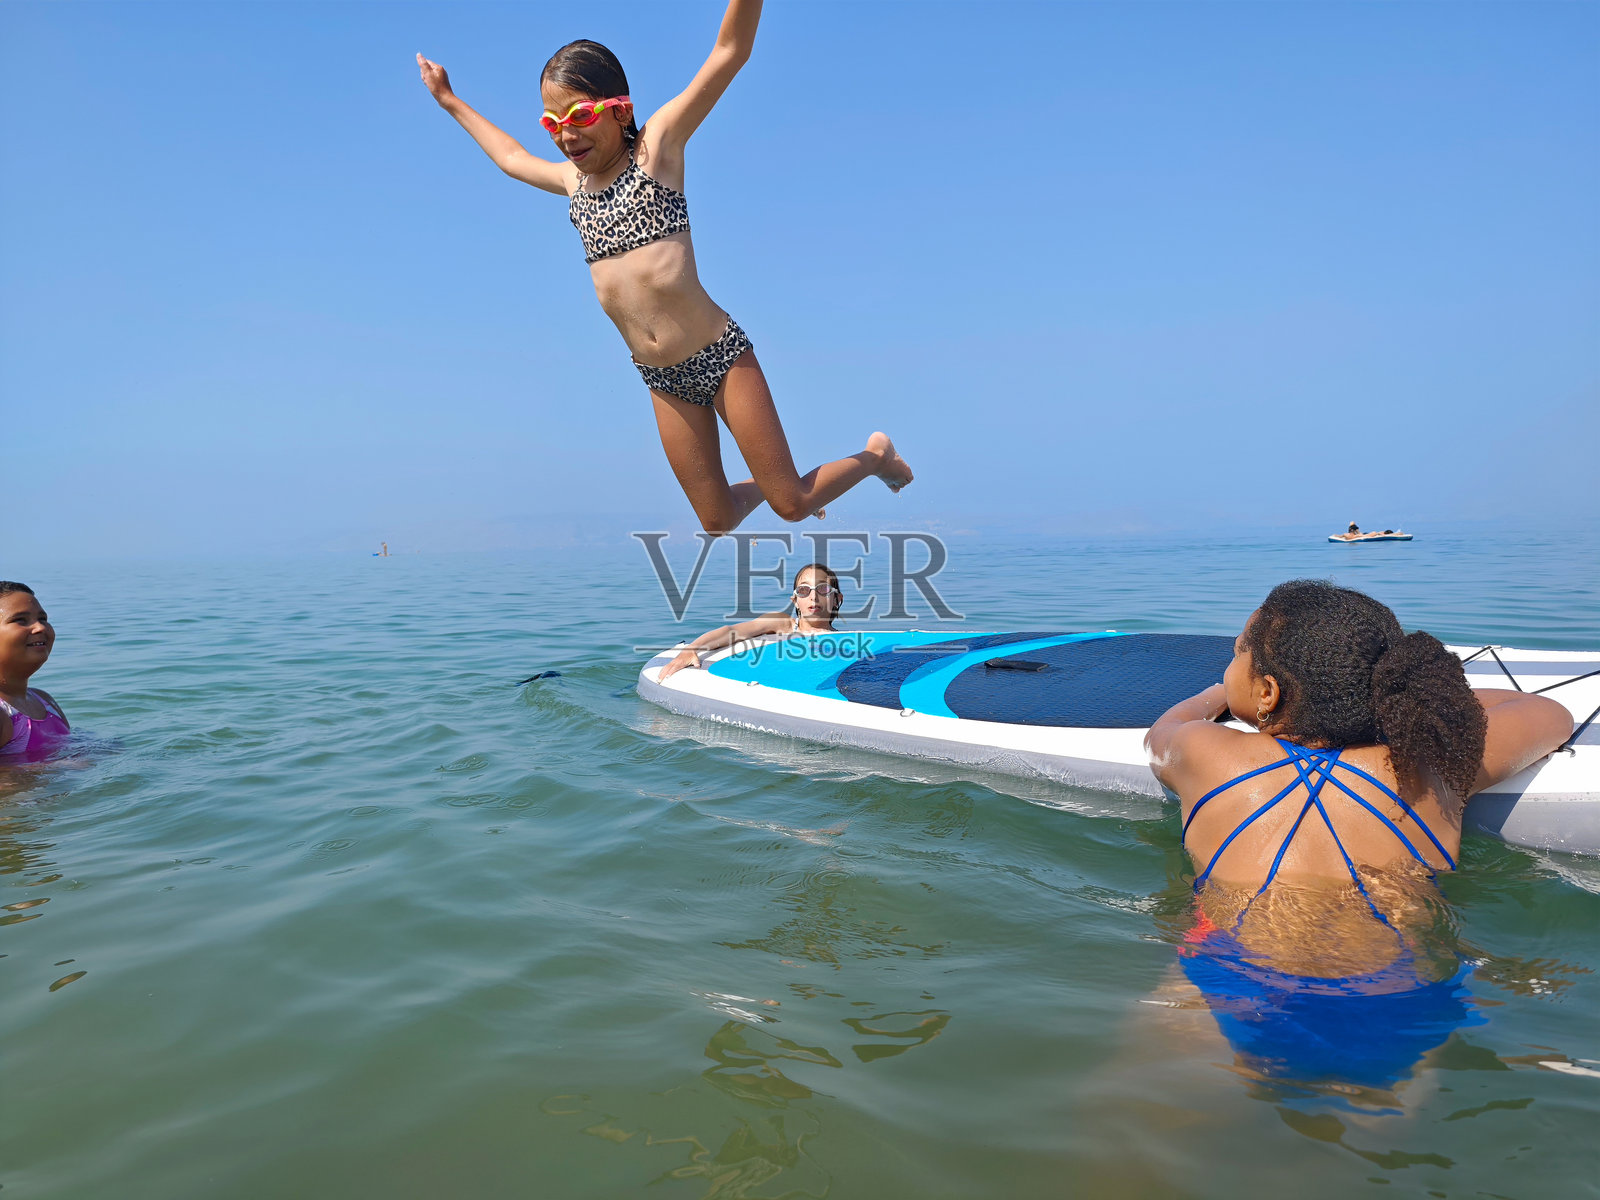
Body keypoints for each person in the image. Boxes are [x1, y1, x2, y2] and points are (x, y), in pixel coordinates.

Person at [417, 1, 913, 534]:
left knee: (790, 503)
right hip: (661, 378)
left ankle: (876, 457)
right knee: (717, 520)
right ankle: (781, 486)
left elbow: (729, 52)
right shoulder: (573, 184)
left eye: (580, 116)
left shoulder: (657, 151)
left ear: (621, 110)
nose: (566, 135)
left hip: (719, 357)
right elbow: (511, 158)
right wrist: (449, 101)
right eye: (553, 123)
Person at [1143, 580, 1573, 1092]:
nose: (1229, 665)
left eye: (1238, 653)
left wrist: (1215, 695)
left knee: (1151, 1139)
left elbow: (1162, 731)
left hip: (1236, 980)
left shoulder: (1205, 753)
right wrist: (1403, 709)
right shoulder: (1429, 768)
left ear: (1266, 692)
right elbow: (1550, 714)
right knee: (1371, 1141)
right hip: (1401, 993)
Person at [658, 562, 840, 681]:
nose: (813, 596)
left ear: (836, 599)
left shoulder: (845, 640)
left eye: (823, 589)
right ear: (795, 601)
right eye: (803, 590)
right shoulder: (782, 624)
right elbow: (733, 631)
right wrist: (692, 649)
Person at [0, 582, 70, 762]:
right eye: (20, 620)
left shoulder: (44, 700)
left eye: (43, 618)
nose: (40, 627)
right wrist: (59, 767)